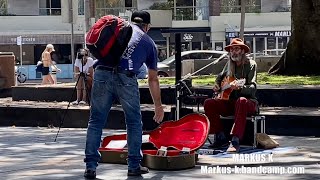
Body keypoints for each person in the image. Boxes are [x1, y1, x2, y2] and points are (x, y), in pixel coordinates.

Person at [83, 11, 164, 179]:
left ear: (131, 21)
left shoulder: (119, 30)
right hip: (126, 78)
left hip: (102, 73)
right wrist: (158, 105)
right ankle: (134, 165)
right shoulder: (148, 43)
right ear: (147, 26)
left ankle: (90, 167)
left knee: (96, 121)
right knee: (134, 122)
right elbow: (153, 79)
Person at [204, 38, 258, 153]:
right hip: (230, 103)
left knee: (241, 100)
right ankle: (220, 137)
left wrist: (240, 88)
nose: (233, 52)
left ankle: (235, 140)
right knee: (209, 103)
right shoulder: (229, 65)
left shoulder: (251, 65)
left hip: (248, 103)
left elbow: (253, 89)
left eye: (236, 49)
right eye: (232, 49)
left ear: (243, 51)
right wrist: (217, 85)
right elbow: (219, 78)